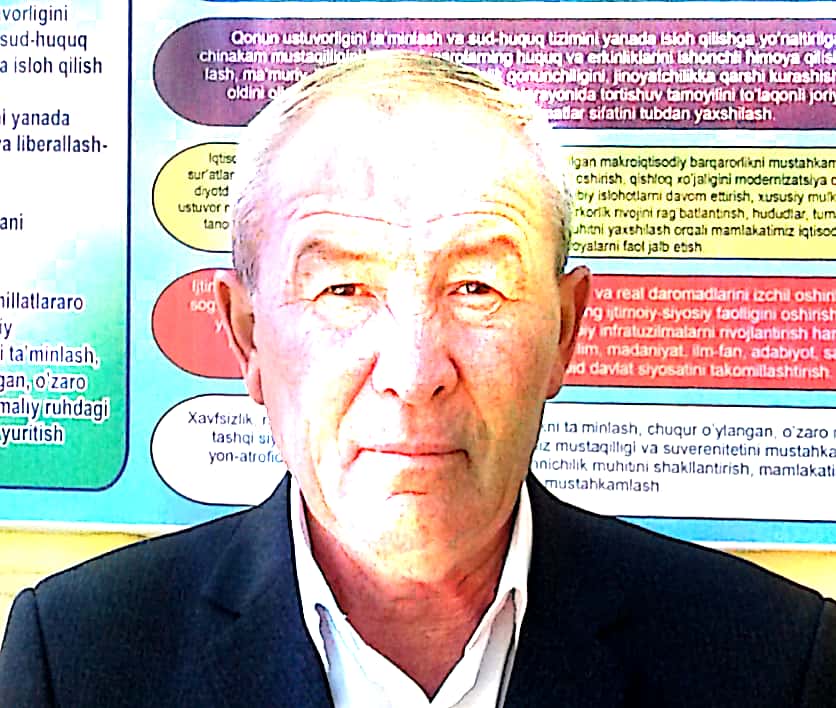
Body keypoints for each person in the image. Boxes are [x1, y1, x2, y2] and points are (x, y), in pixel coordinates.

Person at [1, 51, 834, 707]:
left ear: (565, 329)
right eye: (342, 290)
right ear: (247, 335)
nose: (412, 372)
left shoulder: (772, 660)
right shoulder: (78, 659)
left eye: (476, 288)